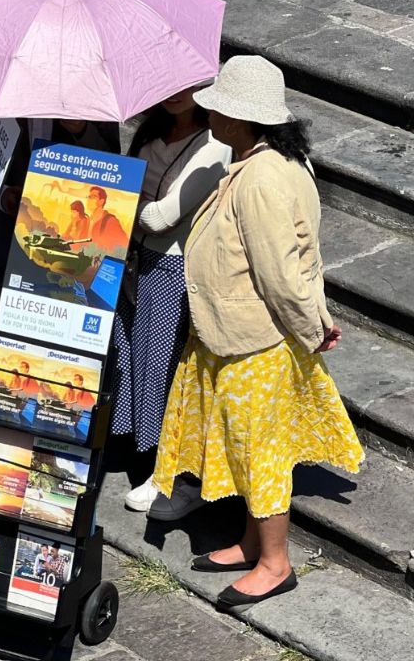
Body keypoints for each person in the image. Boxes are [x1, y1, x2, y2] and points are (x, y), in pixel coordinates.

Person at [151, 56, 363, 610]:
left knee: (260, 451)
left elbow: (281, 271)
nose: (208, 112)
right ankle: (250, 542)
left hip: (256, 341)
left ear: (244, 119)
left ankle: (275, 563)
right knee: (245, 447)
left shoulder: (263, 178)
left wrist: (311, 327)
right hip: (233, 334)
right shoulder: (252, 162)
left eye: (219, 106)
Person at [109, 85, 231, 516]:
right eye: (170, 85)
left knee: (161, 368)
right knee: (129, 357)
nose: (177, 95)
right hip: (131, 259)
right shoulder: (149, 132)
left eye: (190, 87)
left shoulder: (214, 145)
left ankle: (164, 470)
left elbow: (162, 218)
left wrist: (116, 199)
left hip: (171, 267)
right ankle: (133, 449)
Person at [0, 107, 119, 324]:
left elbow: (113, 164)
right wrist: (4, 194)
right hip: (6, 242)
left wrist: (82, 130)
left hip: (64, 255)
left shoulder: (92, 89)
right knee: (1, 336)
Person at [85, 186, 128, 255]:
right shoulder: (88, 220)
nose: (89, 200)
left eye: (93, 197)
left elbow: (124, 244)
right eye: (89, 197)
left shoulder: (110, 221)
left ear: (101, 201)